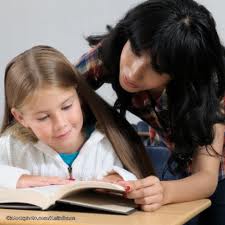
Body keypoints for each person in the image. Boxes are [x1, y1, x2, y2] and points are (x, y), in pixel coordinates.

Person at [75, 0, 225, 222]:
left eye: (157, 67)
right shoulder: (112, 50)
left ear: (179, 74)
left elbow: (206, 176)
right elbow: (57, 93)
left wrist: (163, 192)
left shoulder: (206, 88)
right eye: (135, 50)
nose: (133, 73)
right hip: (176, 154)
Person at [0, 45, 155, 192]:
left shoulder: (108, 142)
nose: (60, 124)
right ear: (21, 118)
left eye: (67, 107)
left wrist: (119, 179)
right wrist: (17, 179)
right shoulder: (12, 147)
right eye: (43, 117)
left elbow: (138, 183)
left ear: (79, 97)